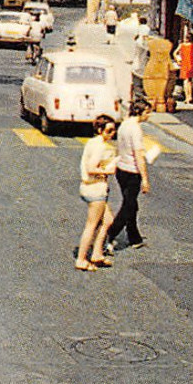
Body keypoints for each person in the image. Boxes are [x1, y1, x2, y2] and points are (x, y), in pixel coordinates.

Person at [75, 116, 119, 271]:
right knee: (92, 225)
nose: (112, 133)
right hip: (95, 188)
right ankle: (81, 259)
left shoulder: (94, 142)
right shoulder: (100, 146)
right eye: (109, 130)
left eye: (114, 130)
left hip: (92, 187)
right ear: (100, 130)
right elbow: (91, 168)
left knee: (107, 220)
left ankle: (97, 253)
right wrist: (108, 170)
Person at [109, 98, 153, 251]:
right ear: (140, 112)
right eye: (148, 112)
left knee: (131, 204)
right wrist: (145, 179)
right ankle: (108, 235)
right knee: (128, 207)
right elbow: (138, 156)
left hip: (121, 169)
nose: (149, 116)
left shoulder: (124, 125)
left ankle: (134, 237)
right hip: (132, 172)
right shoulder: (135, 129)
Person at [173, 30, 193, 104]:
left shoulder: (182, 45)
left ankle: (187, 98)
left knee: (185, 81)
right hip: (191, 64)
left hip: (184, 63)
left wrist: (177, 60)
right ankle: (190, 96)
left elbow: (174, 53)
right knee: (189, 81)